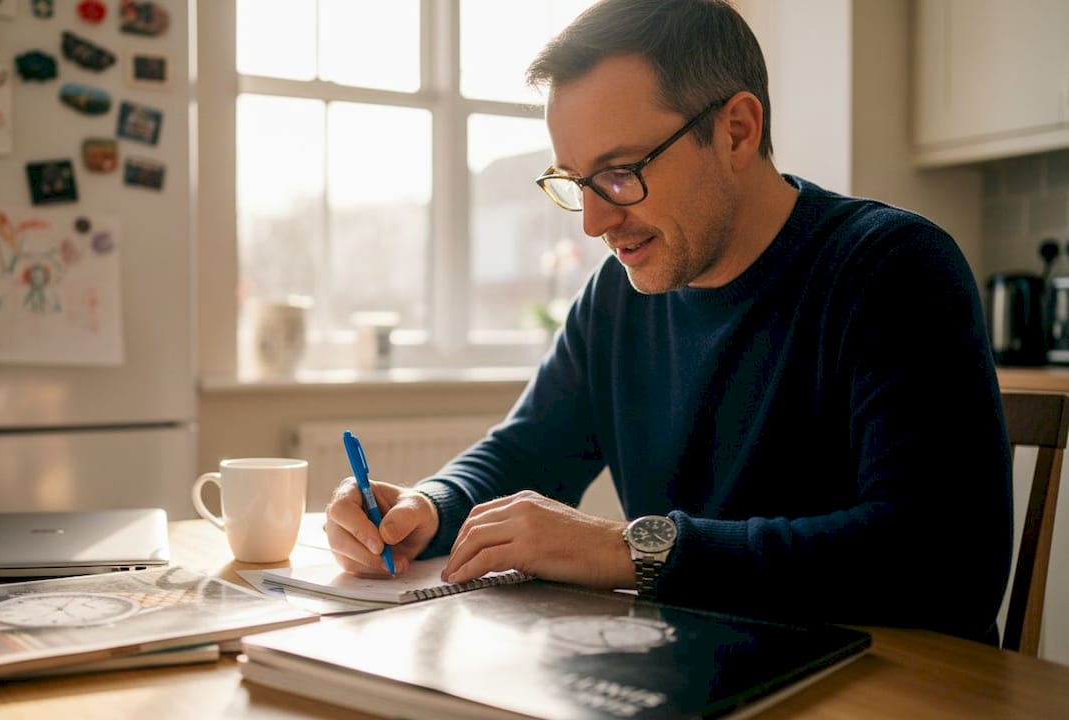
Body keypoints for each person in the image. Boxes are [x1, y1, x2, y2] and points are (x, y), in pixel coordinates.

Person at [324, 0, 1012, 645]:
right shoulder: (618, 297)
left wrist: (633, 548)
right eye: (575, 182)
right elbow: (528, 451)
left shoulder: (892, 268)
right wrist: (431, 504)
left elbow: (944, 565)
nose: (594, 222)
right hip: (690, 665)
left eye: (621, 173)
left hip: (881, 685)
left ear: (738, 130)